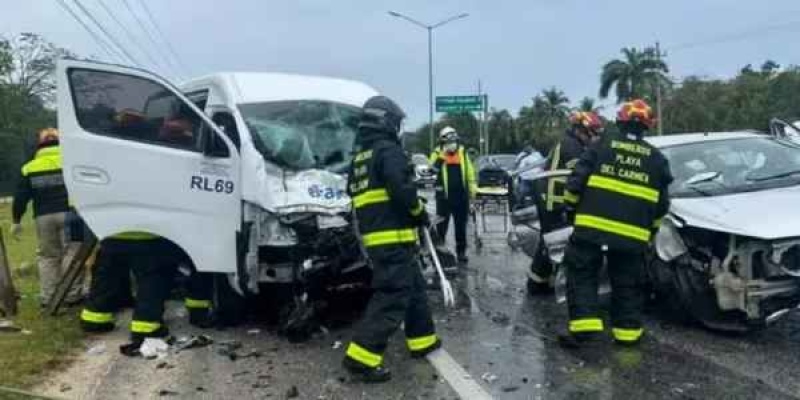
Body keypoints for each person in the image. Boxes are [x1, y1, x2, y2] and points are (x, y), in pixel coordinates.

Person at [558, 99, 672, 348]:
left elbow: (575, 184)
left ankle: (584, 329)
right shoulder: (657, 160)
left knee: (582, 274)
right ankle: (627, 334)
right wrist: (649, 232)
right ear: (647, 126)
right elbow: (662, 206)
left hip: (591, 229)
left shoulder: (601, 146)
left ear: (620, 122)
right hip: (632, 237)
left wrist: (569, 210)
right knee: (628, 282)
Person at [343, 96, 439, 383]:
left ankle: (423, 340)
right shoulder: (388, 151)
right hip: (393, 238)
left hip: (377, 239)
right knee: (392, 296)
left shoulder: (361, 158)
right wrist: (419, 212)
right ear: (385, 121)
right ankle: (360, 358)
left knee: (415, 288)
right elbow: (403, 191)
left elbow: (357, 193)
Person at [528, 112, 604, 291]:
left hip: (552, 197)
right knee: (552, 240)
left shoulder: (572, 143)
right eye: (590, 133)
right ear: (580, 130)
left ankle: (539, 280)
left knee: (549, 240)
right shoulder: (572, 147)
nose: (592, 137)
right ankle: (537, 283)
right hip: (554, 200)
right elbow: (580, 176)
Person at [10, 128, 80, 307]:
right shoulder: (71, 160)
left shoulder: (29, 167)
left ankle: (49, 297)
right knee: (72, 253)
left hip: (43, 217)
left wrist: (16, 220)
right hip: (70, 214)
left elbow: (20, 198)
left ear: (39, 145)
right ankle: (71, 295)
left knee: (48, 257)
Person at [429, 126, 477, 264]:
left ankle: (461, 253)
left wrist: (473, 189)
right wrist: (442, 156)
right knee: (441, 228)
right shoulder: (436, 153)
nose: (452, 144)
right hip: (443, 197)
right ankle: (440, 253)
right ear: (443, 142)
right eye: (449, 141)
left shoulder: (462, 153)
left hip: (460, 197)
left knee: (460, 227)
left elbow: (469, 172)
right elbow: (432, 171)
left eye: (454, 141)